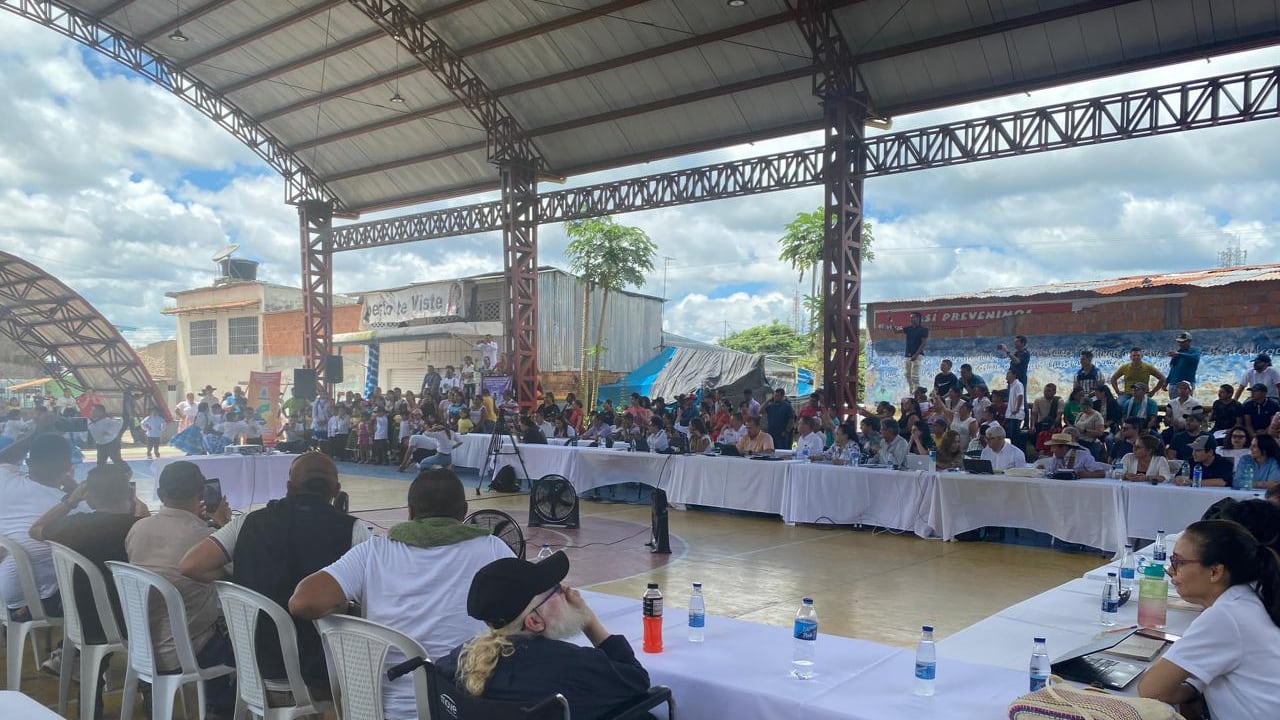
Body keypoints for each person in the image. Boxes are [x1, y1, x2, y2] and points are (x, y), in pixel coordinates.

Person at [290, 469, 515, 720]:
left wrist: (345, 612)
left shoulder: (374, 551)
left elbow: (302, 601)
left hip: (382, 711)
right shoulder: (493, 549)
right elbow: (533, 611)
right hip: (460, 709)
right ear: (464, 511)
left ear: (410, 511)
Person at [178, 453, 370, 693]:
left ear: (289, 487)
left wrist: (237, 581)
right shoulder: (353, 530)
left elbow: (191, 565)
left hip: (254, 659)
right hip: (322, 666)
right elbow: (373, 597)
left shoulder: (247, 522)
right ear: (336, 491)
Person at [436, 552, 651, 719]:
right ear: (534, 621)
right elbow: (636, 681)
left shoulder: (460, 661)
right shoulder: (572, 665)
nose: (565, 590)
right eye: (555, 589)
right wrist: (587, 619)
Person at [30, 463, 149, 709]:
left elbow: (35, 530)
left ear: (89, 498)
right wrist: (143, 515)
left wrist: (70, 502)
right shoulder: (137, 527)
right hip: (130, 622)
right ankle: (151, 694)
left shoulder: (73, 526)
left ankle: (90, 706)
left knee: (94, 657)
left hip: (83, 620)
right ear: (129, 494)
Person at [1137, 519, 1280, 720]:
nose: (1170, 570)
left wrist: (1190, 691)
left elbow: (1152, 689)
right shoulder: (1249, 597)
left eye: (1179, 562)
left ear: (1215, 572)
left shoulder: (1225, 616)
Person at [125, 461, 234, 717]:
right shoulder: (205, 536)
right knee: (246, 634)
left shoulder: (138, 528)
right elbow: (233, 573)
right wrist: (223, 528)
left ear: (160, 494)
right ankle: (220, 705)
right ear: (201, 493)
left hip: (143, 644)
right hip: (192, 649)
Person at [1, 432, 74, 647]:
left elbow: (4, 457)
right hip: (33, 602)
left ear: (28, 462)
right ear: (68, 467)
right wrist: (75, 489)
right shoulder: (69, 508)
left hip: (4, 593)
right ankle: (70, 652)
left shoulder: (4, 479)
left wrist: (36, 432)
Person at [1041, 433, 1107, 478]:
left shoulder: (1083, 455)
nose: (1051, 450)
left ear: (1064, 447)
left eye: (1054, 447)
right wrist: (1043, 470)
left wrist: (1087, 474)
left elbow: (1101, 473)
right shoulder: (1056, 455)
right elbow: (1051, 472)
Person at [895, 311, 928, 395]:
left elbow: (923, 343)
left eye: (913, 317)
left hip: (918, 355)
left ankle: (917, 394)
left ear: (918, 318)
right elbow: (896, 331)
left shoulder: (923, 329)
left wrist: (916, 355)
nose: (911, 319)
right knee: (907, 375)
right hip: (908, 355)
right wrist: (891, 320)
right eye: (910, 318)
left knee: (914, 375)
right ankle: (911, 392)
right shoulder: (908, 329)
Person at [87, 403, 125, 467]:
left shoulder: (108, 420)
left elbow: (119, 423)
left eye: (94, 411)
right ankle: (101, 472)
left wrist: (109, 432)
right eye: (92, 410)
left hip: (111, 443)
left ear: (100, 412)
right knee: (100, 463)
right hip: (100, 444)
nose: (91, 412)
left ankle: (127, 471)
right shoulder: (90, 420)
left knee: (117, 460)